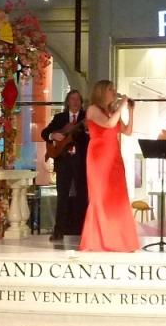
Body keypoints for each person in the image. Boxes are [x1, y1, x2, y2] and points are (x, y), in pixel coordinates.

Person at [79, 80, 140, 253]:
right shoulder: (93, 110)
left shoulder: (112, 112)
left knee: (117, 197)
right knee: (101, 197)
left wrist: (130, 111)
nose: (114, 92)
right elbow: (109, 124)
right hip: (99, 158)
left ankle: (120, 241)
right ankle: (98, 241)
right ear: (101, 92)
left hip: (114, 157)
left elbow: (127, 131)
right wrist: (121, 106)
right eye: (110, 89)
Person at [42, 88, 90, 241]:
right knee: (62, 196)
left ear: (81, 103)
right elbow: (44, 133)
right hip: (63, 161)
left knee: (83, 196)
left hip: (81, 162)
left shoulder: (86, 117)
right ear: (68, 101)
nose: (75, 102)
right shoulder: (59, 118)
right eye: (72, 99)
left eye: (78, 99)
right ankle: (59, 231)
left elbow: (92, 139)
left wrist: (88, 132)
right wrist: (53, 135)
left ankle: (84, 231)